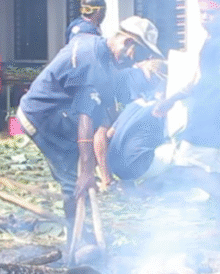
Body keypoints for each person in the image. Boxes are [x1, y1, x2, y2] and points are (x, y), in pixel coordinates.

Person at [17, 15, 160, 240]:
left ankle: (82, 227)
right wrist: (86, 171)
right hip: (41, 114)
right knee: (72, 175)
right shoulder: (92, 61)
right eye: (136, 53)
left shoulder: (96, 47)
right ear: (128, 43)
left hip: (61, 113)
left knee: (78, 163)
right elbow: (85, 116)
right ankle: (77, 237)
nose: (132, 59)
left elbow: (99, 112)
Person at [153, 0, 220, 228]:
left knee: (184, 167)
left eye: (212, 13)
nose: (205, 17)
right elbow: (198, 81)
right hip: (210, 115)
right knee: (216, 171)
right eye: (202, 12)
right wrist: (172, 99)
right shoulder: (211, 41)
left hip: (211, 117)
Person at [107, 59, 168, 182]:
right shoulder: (162, 108)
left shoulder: (134, 104)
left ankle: (129, 185)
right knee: (176, 150)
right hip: (136, 169)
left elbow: (109, 134)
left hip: (115, 168)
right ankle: (148, 188)